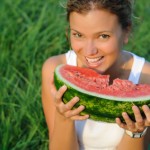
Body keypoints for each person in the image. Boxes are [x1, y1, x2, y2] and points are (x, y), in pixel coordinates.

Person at [41, 0, 150, 149]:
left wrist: (136, 132)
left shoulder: (146, 78)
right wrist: (64, 118)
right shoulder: (54, 69)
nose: (89, 51)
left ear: (126, 32)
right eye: (78, 34)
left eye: (103, 36)